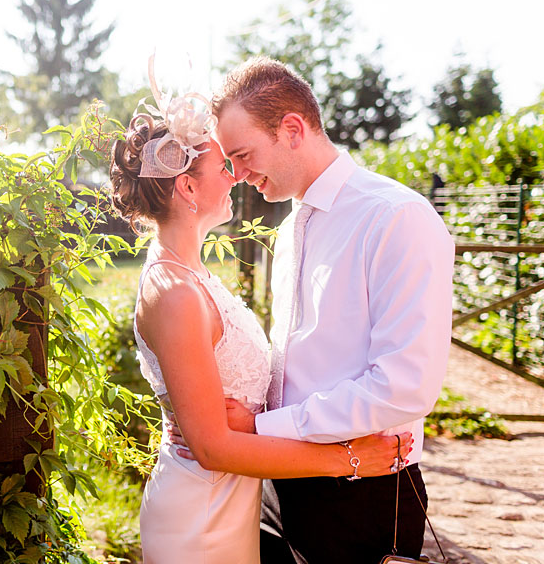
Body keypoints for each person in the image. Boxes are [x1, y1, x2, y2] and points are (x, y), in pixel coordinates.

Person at [108, 58, 412, 563]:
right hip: (201, 513)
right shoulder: (174, 292)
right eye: (224, 166)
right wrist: (348, 458)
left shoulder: (191, 275)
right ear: (187, 187)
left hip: (233, 500)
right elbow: (212, 448)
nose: (237, 177)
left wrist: (257, 418)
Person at [201, 56, 456, 563]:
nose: (238, 173)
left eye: (243, 154)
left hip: (361, 491)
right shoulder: (291, 225)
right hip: (280, 482)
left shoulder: (396, 218)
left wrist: (262, 430)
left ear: (292, 129)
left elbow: (403, 387)